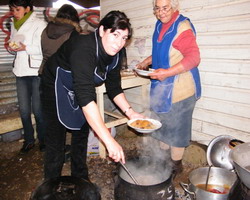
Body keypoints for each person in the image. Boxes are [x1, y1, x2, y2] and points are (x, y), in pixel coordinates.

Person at [41, 10, 144, 180]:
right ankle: (51, 184)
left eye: (124, 38)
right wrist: (109, 141)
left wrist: (130, 112)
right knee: (56, 139)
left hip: (80, 88)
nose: (119, 43)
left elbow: (114, 88)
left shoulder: (115, 55)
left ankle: (80, 178)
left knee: (82, 132)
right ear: (102, 30)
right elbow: (86, 97)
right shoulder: (84, 48)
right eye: (115, 34)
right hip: (55, 84)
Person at [136, 0, 201, 176]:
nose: (161, 12)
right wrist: (145, 62)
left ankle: (175, 168)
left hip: (181, 88)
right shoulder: (160, 25)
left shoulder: (182, 27)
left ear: (174, 7)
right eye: (157, 8)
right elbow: (161, 51)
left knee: (176, 132)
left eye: (165, 8)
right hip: (163, 89)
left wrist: (167, 72)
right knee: (162, 127)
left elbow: (194, 57)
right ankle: (162, 162)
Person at [8, 0, 47, 153]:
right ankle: (29, 141)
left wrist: (26, 48)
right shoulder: (14, 24)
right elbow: (14, 47)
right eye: (12, 10)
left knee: (38, 110)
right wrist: (12, 48)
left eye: (17, 9)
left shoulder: (39, 24)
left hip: (35, 71)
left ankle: (43, 140)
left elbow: (43, 48)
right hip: (20, 71)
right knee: (24, 110)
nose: (14, 13)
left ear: (27, 9)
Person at [39, 4, 82, 75]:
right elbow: (75, 56)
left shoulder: (46, 29)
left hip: (45, 70)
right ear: (75, 17)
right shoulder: (73, 33)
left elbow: (42, 48)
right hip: (62, 74)